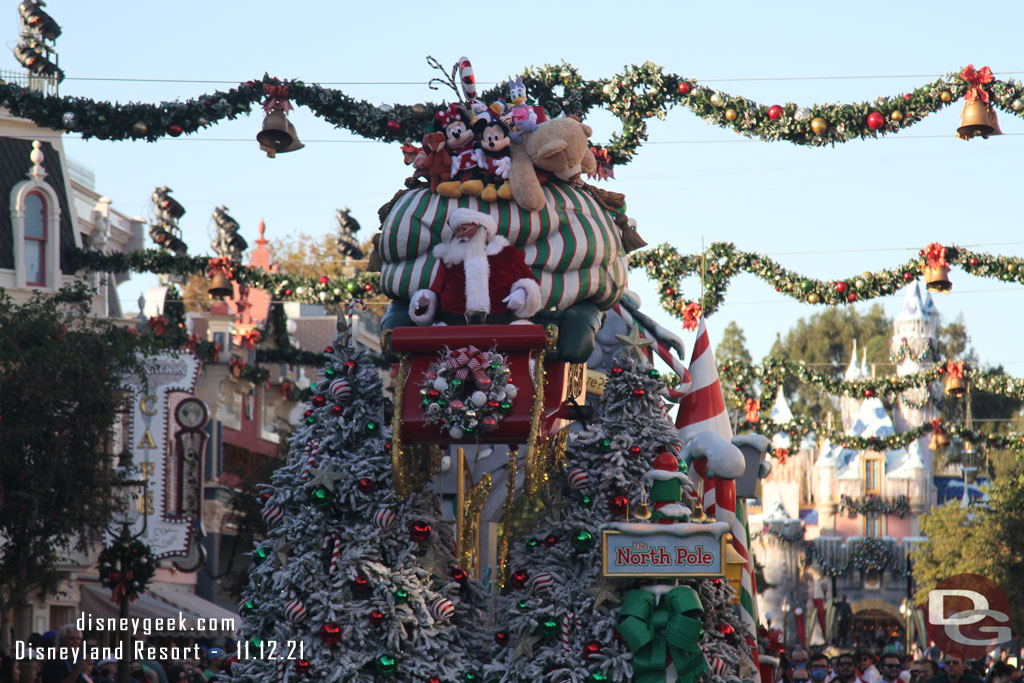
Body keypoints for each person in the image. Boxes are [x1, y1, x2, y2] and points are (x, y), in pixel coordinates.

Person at [409, 208, 543, 326]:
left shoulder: (508, 254)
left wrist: (522, 293)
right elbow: (436, 290)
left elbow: (530, 282)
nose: (460, 234)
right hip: (455, 327)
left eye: (465, 229)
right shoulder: (449, 259)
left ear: (482, 229)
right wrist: (425, 300)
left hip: (500, 325)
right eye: (458, 230)